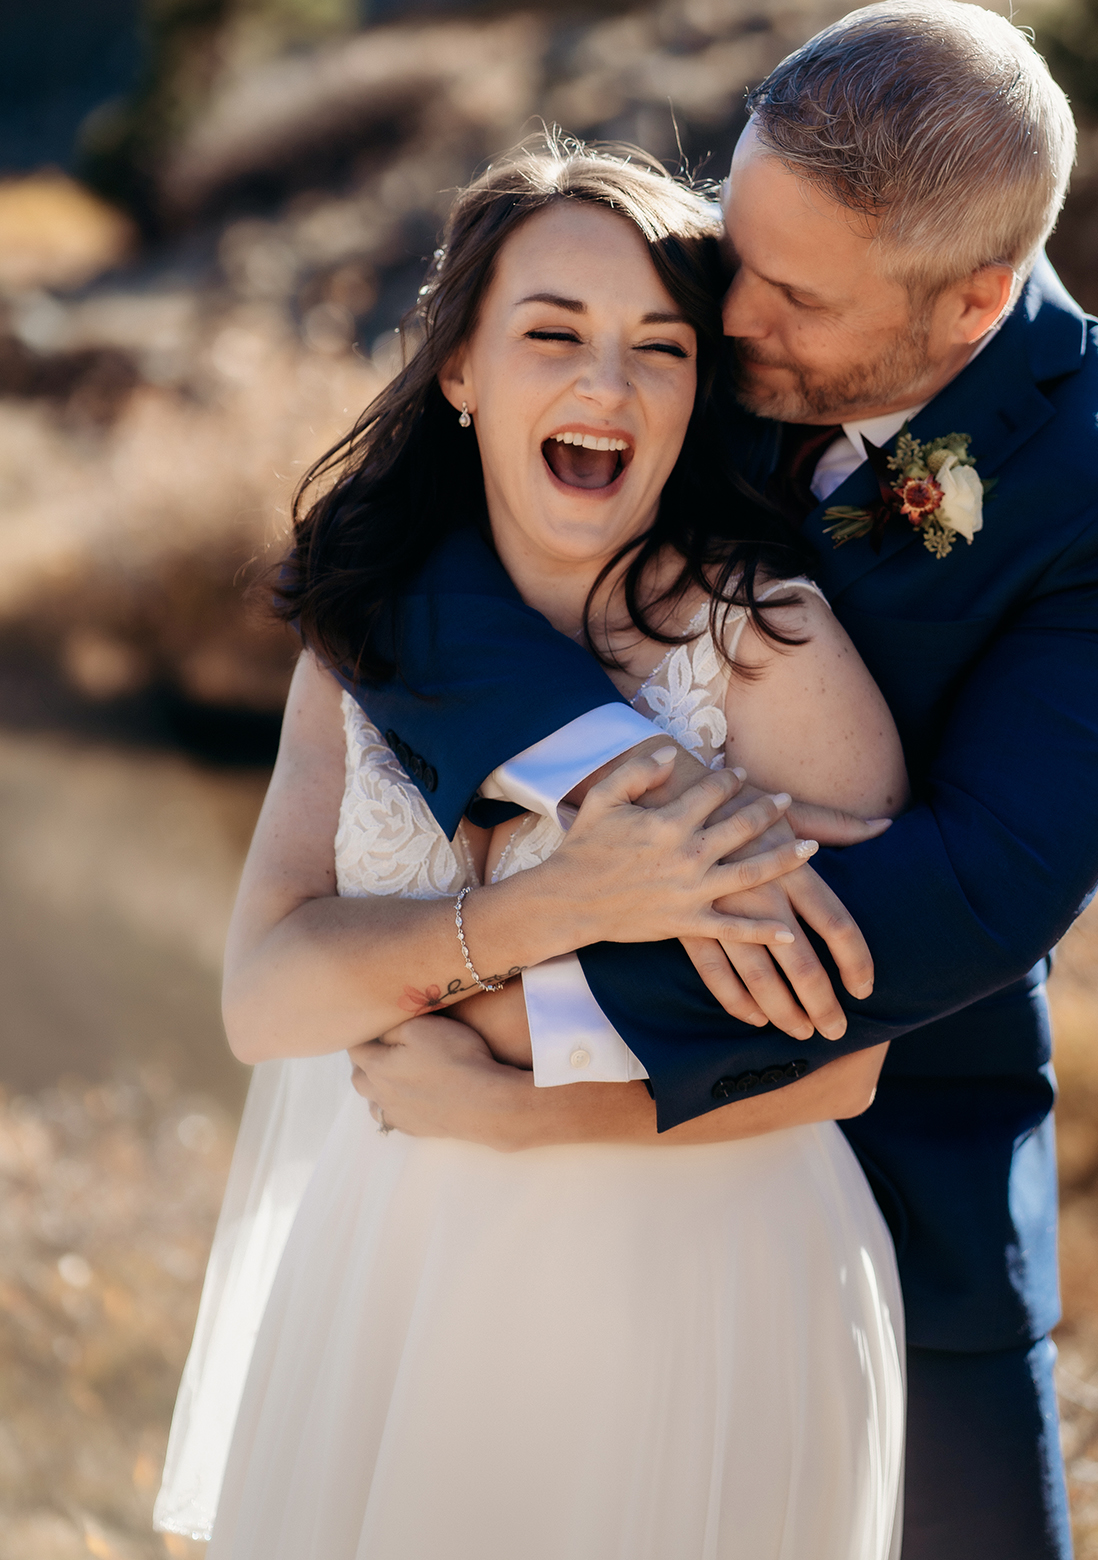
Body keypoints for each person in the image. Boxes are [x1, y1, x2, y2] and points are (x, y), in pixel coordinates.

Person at [345, 0, 1098, 1559]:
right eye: (731, 239)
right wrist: (632, 782)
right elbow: (412, 558)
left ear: (971, 305)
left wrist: (532, 1025)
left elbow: (975, 893)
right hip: (517, 1226)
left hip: (897, 1175)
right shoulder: (727, 274)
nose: (720, 311)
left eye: (785, 294)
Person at [156, 142, 910, 1557]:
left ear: (698, 392)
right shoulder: (361, 646)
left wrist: (523, 1109)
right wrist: (559, 904)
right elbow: (265, 1002)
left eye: (658, 349)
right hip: (395, 1269)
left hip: (698, 1289)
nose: (603, 387)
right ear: (460, 372)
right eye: (551, 334)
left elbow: (848, 1055)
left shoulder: (770, 646)